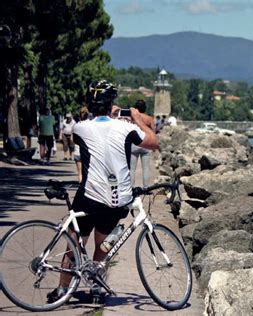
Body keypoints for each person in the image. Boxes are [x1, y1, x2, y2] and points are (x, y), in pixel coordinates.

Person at [47, 80, 159, 302]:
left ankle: (62, 289)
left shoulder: (80, 128)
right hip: (117, 199)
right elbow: (154, 142)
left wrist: (107, 116)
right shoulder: (127, 128)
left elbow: (92, 129)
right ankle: (96, 288)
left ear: (90, 105)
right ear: (112, 104)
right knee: (103, 243)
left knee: (75, 243)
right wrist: (136, 119)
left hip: (90, 196)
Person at [130, 99, 156, 187]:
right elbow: (153, 132)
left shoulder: (132, 118)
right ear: (145, 108)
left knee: (132, 169)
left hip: (135, 144)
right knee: (146, 168)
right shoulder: (149, 119)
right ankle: (146, 187)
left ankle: (131, 187)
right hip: (146, 144)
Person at [72, 107, 89, 182]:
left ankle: (80, 183)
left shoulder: (76, 126)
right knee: (87, 172)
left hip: (78, 150)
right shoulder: (91, 125)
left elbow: (73, 139)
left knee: (80, 173)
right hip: (87, 151)